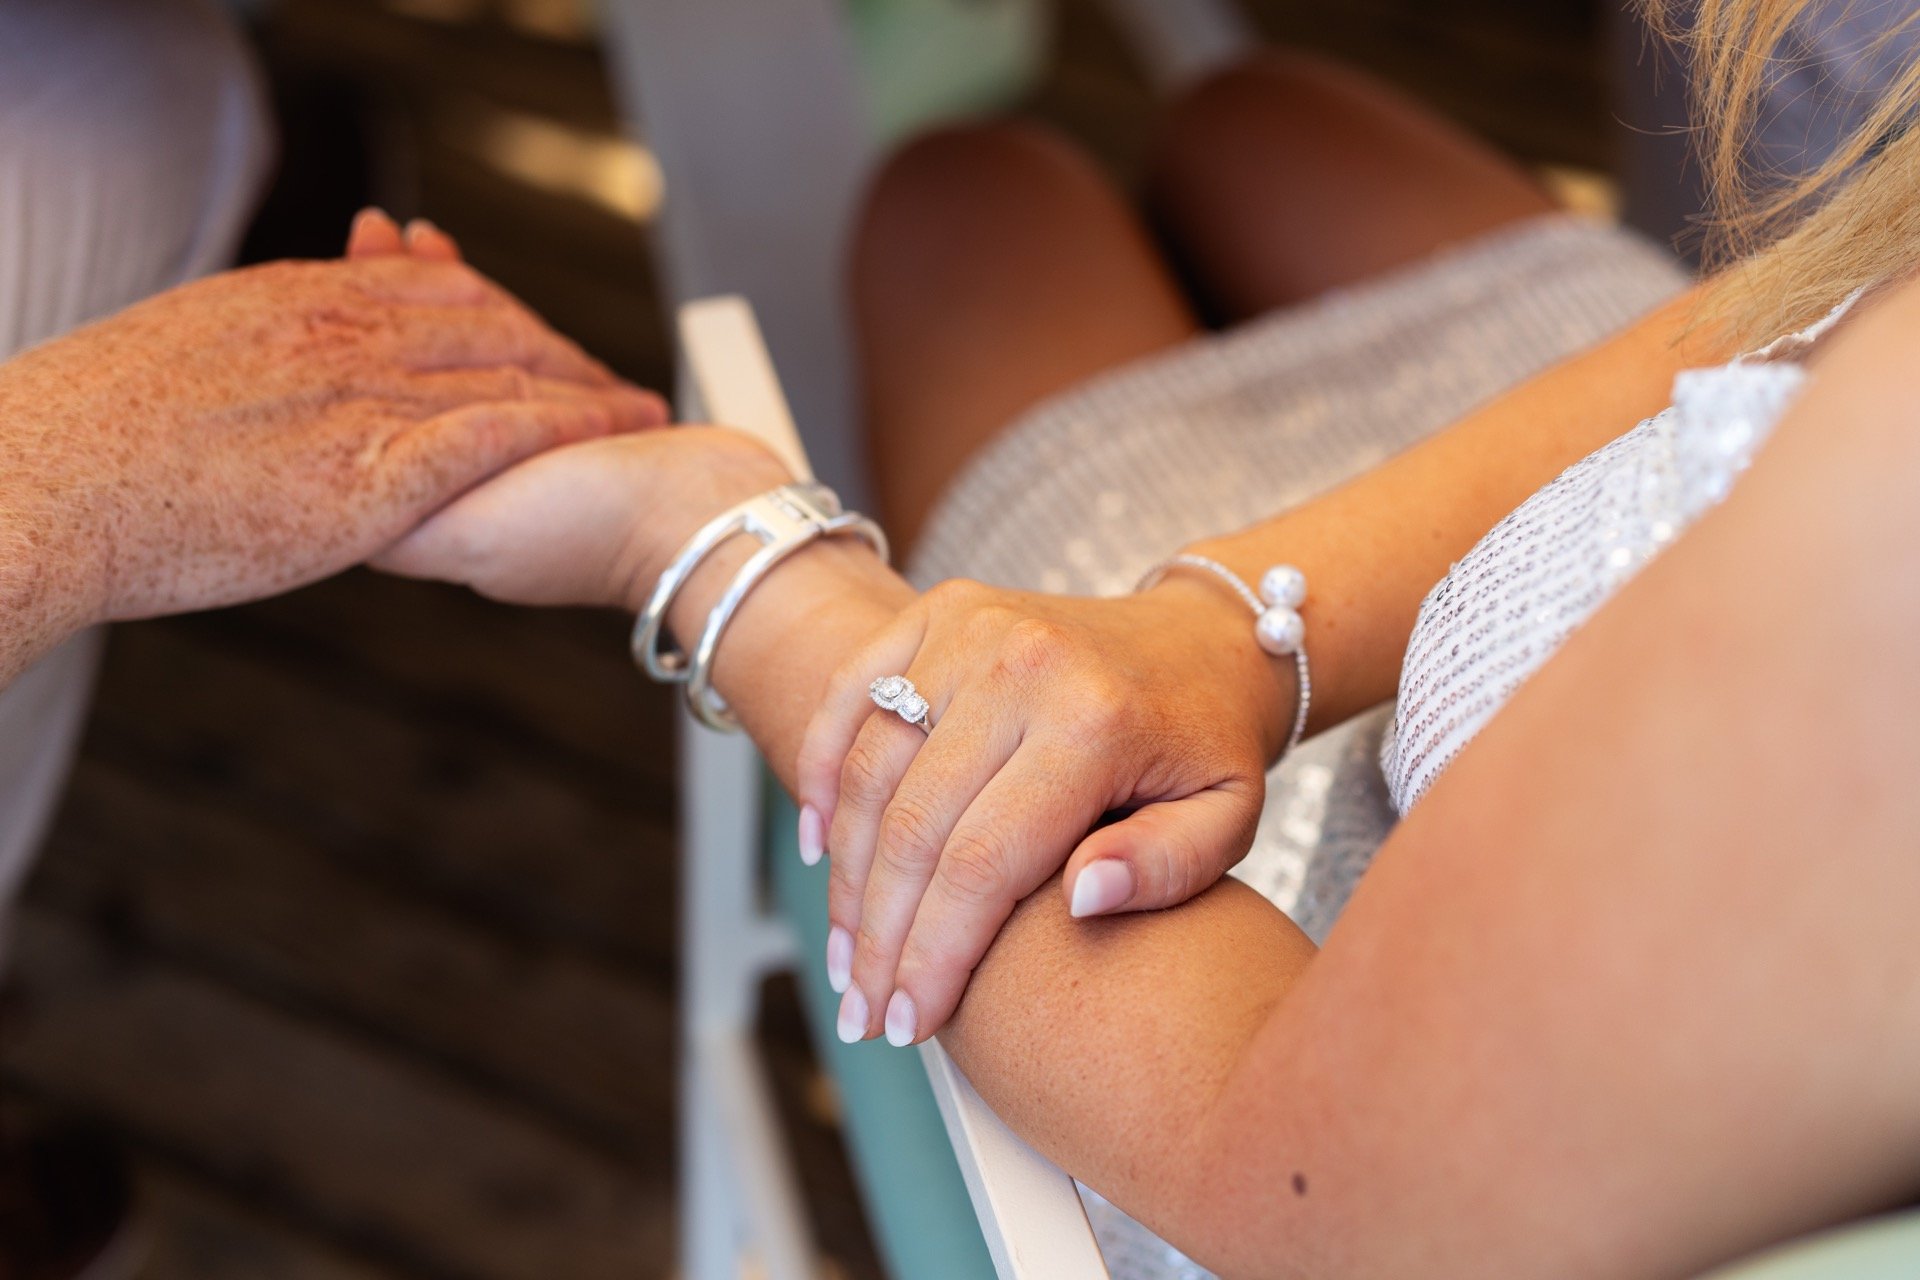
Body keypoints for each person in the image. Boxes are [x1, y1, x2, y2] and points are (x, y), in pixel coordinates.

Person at [370, 1, 1920, 1275]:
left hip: (1290, 1011)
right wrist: (1231, 627)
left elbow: (1294, 1175)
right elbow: (1832, 309)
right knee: (1265, 122)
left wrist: (712, 551)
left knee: (962, 198)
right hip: (1624, 519)